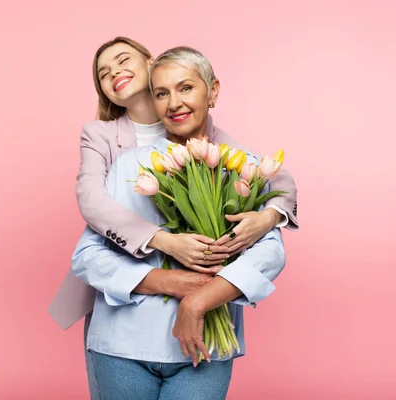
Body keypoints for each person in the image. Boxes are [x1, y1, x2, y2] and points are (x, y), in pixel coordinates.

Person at [48, 37, 298, 399]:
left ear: (211, 91)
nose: (174, 101)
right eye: (163, 93)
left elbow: (275, 191)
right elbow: (90, 223)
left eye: (185, 88)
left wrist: (269, 215)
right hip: (122, 338)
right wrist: (168, 254)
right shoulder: (120, 159)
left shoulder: (231, 159)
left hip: (206, 346)